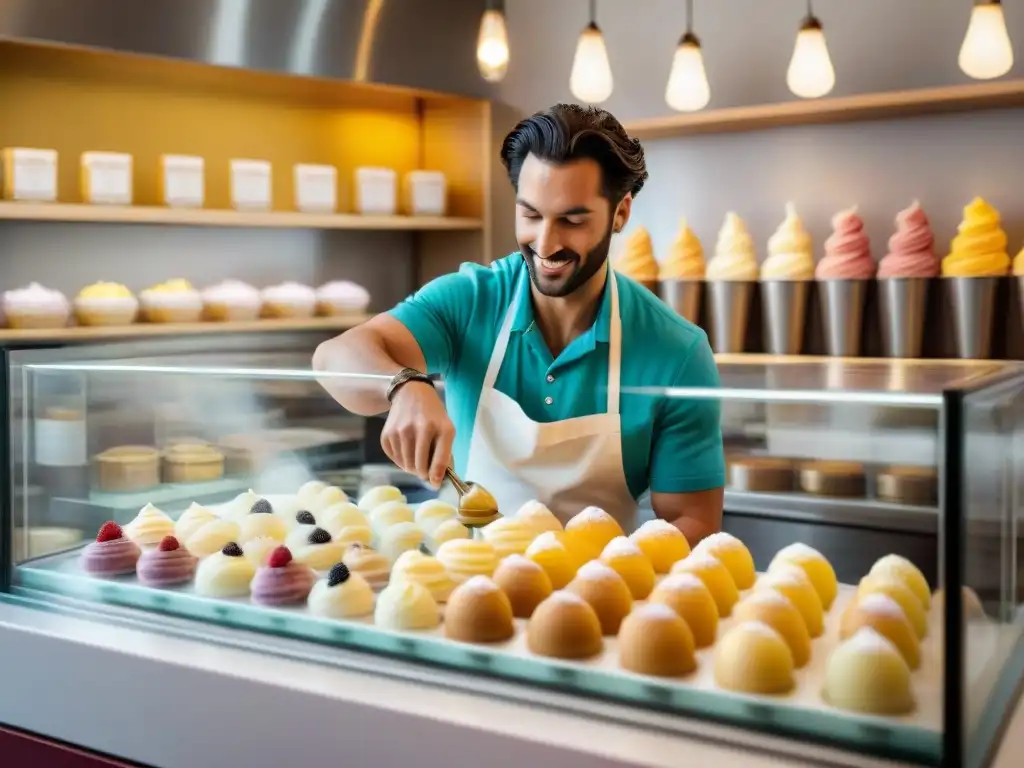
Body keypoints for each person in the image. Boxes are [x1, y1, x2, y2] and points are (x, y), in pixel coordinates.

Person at [313, 103, 724, 542]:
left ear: (620, 213)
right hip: (468, 586)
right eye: (530, 215)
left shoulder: (677, 352)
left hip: (601, 596)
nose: (545, 243)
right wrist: (403, 386)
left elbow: (692, 525)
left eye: (572, 220)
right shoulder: (473, 299)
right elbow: (332, 357)